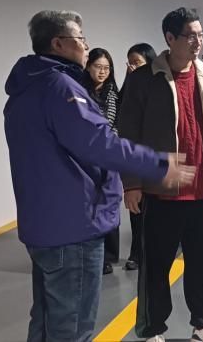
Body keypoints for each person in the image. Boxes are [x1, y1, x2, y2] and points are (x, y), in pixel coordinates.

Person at [4, 10, 195, 342]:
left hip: (43, 225)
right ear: (58, 43)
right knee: (73, 327)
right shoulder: (60, 88)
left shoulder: (25, 89)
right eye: (80, 38)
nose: (86, 45)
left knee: (46, 322)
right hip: (73, 225)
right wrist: (159, 165)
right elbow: (101, 144)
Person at [118, 8, 203, 342]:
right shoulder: (145, 80)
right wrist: (131, 183)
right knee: (155, 268)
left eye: (201, 35)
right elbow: (128, 135)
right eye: (190, 36)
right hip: (162, 192)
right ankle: (152, 330)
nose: (198, 42)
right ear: (170, 38)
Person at [82, 47, 122, 275]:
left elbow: (115, 123)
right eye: (98, 67)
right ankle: (91, 254)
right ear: (88, 66)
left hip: (108, 156)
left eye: (107, 68)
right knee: (89, 206)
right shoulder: (80, 91)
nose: (103, 72)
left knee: (109, 205)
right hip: (86, 158)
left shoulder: (113, 94)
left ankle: (108, 256)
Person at [120, 42, 157, 271]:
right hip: (135, 158)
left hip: (155, 156)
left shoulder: (159, 85)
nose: (133, 67)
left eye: (138, 63)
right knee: (136, 208)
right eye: (130, 63)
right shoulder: (129, 86)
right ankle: (137, 252)